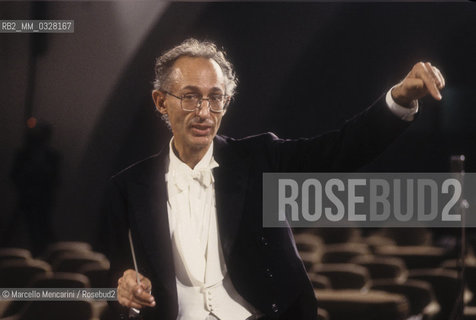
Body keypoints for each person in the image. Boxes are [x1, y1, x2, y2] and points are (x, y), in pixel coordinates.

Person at [106, 38, 445, 320]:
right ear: (161, 102)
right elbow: (118, 277)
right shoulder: (128, 187)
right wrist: (123, 287)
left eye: (216, 98)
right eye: (191, 96)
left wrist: (400, 98)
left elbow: (340, 151)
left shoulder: (260, 159)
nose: (204, 112)